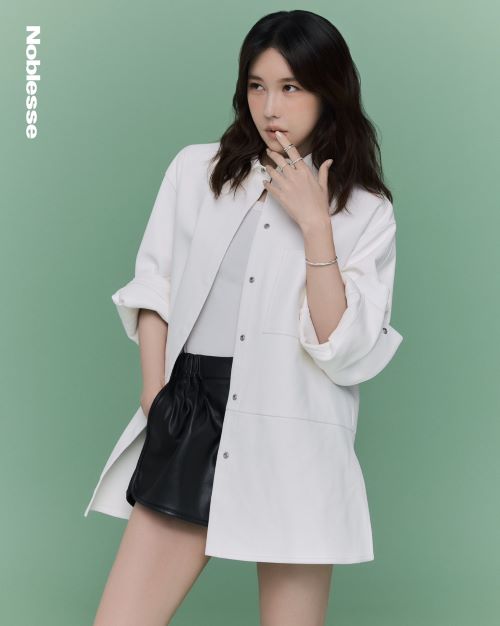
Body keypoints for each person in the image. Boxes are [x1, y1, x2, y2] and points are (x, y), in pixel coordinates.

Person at [90, 9, 403, 626]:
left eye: (291, 87)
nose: (270, 107)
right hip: (191, 407)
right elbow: (156, 286)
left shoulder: (365, 210)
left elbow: (342, 346)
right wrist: (156, 395)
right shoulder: (196, 171)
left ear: (329, 91)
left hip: (295, 420)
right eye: (257, 86)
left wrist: (315, 225)